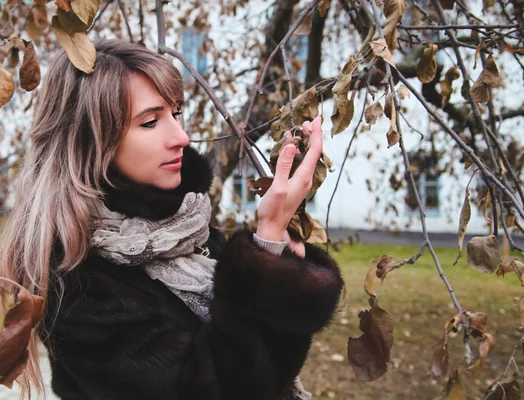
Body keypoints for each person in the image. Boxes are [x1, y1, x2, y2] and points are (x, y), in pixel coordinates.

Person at [0, 40, 343, 400]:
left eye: (175, 113)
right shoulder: (76, 279)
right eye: (150, 121)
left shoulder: (183, 222)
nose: (181, 137)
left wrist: (272, 260)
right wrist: (266, 248)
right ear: (91, 142)